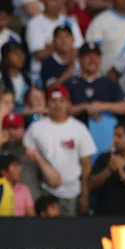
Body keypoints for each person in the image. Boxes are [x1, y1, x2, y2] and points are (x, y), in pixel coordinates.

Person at [22, 85, 97, 215]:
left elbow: (86, 165)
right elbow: (27, 159)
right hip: (44, 191)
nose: (57, 105)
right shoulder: (36, 128)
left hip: (72, 192)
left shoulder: (79, 128)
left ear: (69, 104)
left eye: (62, 101)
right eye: (53, 101)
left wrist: (85, 195)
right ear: (47, 103)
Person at [67, 41, 125, 156]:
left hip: (104, 141)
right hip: (75, 141)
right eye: (87, 56)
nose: (92, 59)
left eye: (96, 56)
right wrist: (85, 107)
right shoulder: (71, 83)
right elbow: (61, 110)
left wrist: (102, 106)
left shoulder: (110, 83)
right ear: (79, 60)